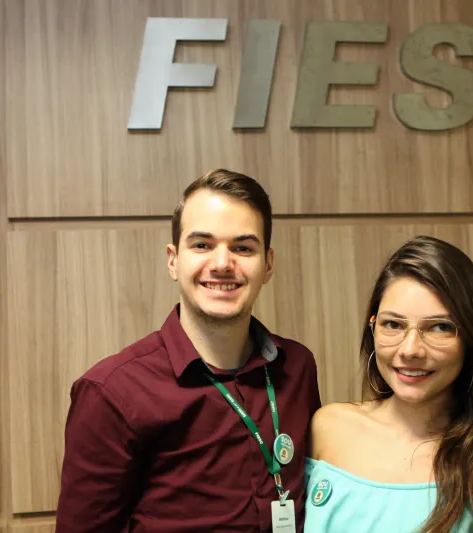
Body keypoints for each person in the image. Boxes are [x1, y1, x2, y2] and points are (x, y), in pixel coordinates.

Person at [56, 169, 321, 532]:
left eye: (243, 247)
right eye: (202, 245)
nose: (223, 263)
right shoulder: (111, 392)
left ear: (268, 264)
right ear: (173, 260)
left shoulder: (297, 368)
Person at [305, 235, 473, 532]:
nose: (410, 349)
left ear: (472, 339)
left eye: (439, 327)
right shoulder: (328, 430)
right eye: (393, 324)